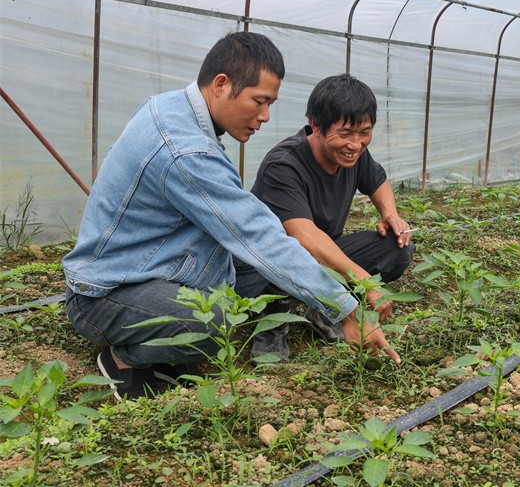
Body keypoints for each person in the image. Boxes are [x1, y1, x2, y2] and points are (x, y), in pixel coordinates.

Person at [63, 32, 400, 402]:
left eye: (270, 103)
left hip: (157, 266)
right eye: (259, 101)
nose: (265, 116)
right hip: (108, 291)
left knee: (261, 279)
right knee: (215, 327)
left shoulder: (174, 109)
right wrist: (345, 305)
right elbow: (258, 236)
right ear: (221, 85)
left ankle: (173, 345)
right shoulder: (186, 148)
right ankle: (122, 359)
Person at [249, 74, 414, 359]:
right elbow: (304, 238)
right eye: (346, 133)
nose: (356, 143)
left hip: (322, 251)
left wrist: (390, 214)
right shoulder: (283, 165)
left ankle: (324, 309)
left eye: (365, 132)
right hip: (270, 264)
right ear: (316, 125)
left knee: (398, 247)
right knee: (294, 255)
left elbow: (377, 181)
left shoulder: (354, 153)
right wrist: (365, 282)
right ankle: (272, 319)